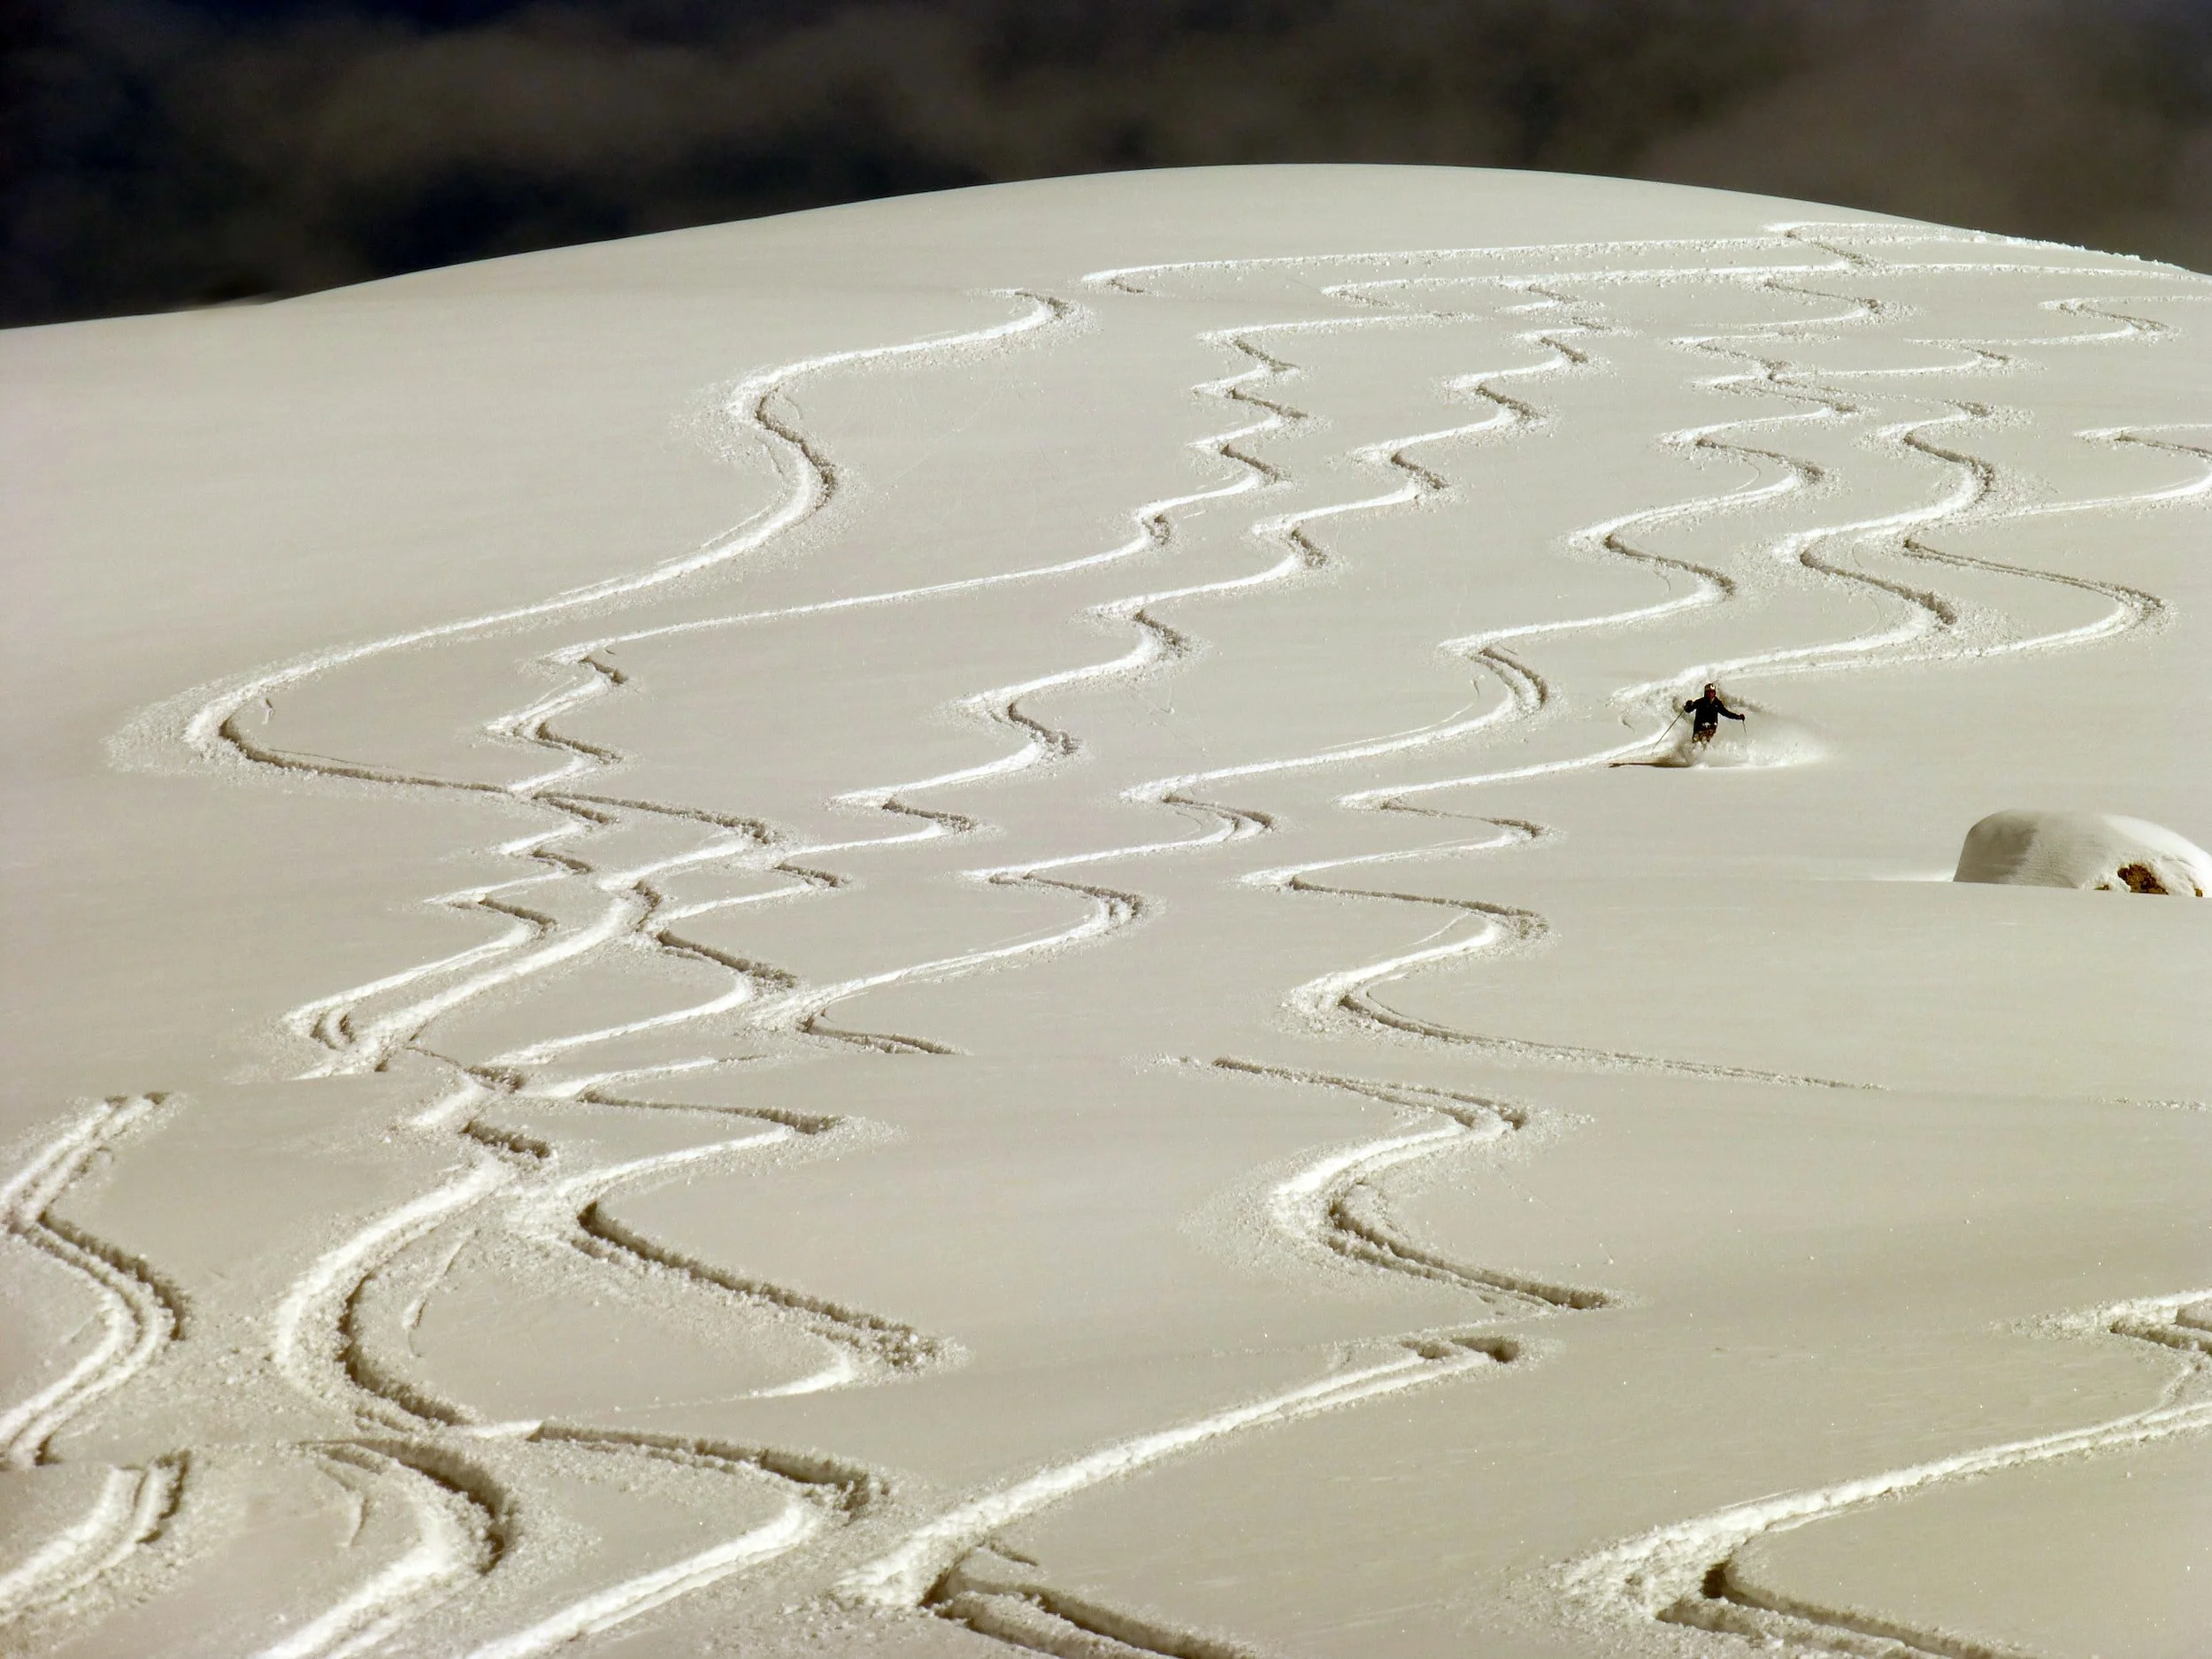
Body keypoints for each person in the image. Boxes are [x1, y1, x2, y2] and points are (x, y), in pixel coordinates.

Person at [1683, 683, 1746, 747]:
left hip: (1711, 729)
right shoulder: (1700, 702)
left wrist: (1738, 717)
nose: (1710, 694)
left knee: (1707, 746)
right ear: (1705, 693)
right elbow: (1688, 710)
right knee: (1696, 746)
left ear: (1714, 693)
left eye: (1712, 692)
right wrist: (1688, 705)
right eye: (1708, 692)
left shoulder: (1717, 703)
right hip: (1699, 729)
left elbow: (1726, 713)